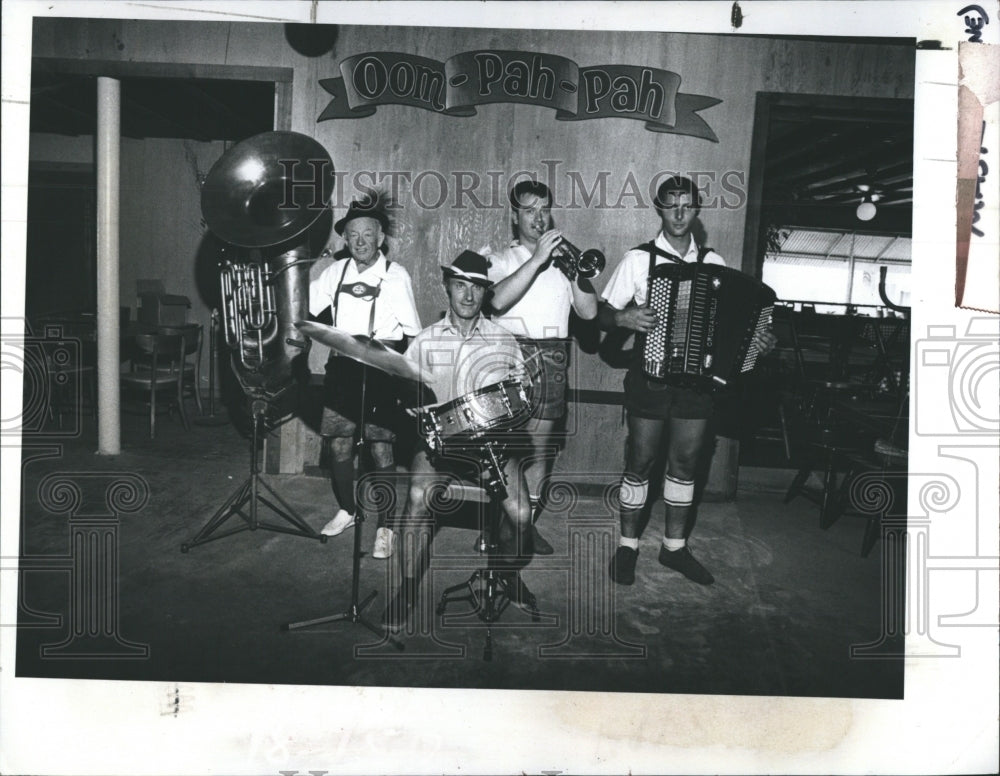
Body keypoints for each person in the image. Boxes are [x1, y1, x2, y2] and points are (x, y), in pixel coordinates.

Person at [598, 176, 776, 586]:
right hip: (650, 378)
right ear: (659, 208)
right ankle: (627, 545)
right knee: (640, 462)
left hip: (697, 386)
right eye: (671, 204)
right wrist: (623, 318)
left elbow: (736, 326)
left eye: (687, 205)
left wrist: (759, 341)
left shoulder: (715, 265)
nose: (679, 213)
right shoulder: (637, 260)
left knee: (685, 465)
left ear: (697, 210)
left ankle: (674, 548)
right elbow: (602, 313)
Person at [383, 250, 534, 632]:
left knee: (521, 515)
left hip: (493, 446)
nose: (468, 296)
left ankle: (502, 573)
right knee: (417, 500)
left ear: (486, 293)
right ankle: (406, 589)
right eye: (460, 286)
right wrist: (411, 408)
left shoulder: (504, 339)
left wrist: (522, 402)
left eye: (477, 288)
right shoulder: (424, 341)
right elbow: (407, 397)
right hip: (439, 447)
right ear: (448, 288)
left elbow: (520, 397)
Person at [487, 180, 599, 555]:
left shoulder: (565, 263)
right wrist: (536, 260)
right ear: (514, 215)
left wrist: (577, 273)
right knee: (504, 451)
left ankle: (523, 527)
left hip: (552, 356)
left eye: (544, 209)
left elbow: (589, 311)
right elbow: (496, 302)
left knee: (538, 450)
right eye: (529, 209)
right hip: (509, 358)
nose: (538, 217)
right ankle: (497, 525)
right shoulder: (500, 259)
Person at [308, 192, 421, 560]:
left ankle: (386, 526)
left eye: (367, 234)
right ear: (346, 238)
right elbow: (308, 311)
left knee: (380, 447)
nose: (359, 241)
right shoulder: (334, 272)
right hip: (341, 367)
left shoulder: (395, 275)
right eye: (352, 234)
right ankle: (349, 510)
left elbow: (412, 333)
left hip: (379, 369)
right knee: (339, 443)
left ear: (380, 238)